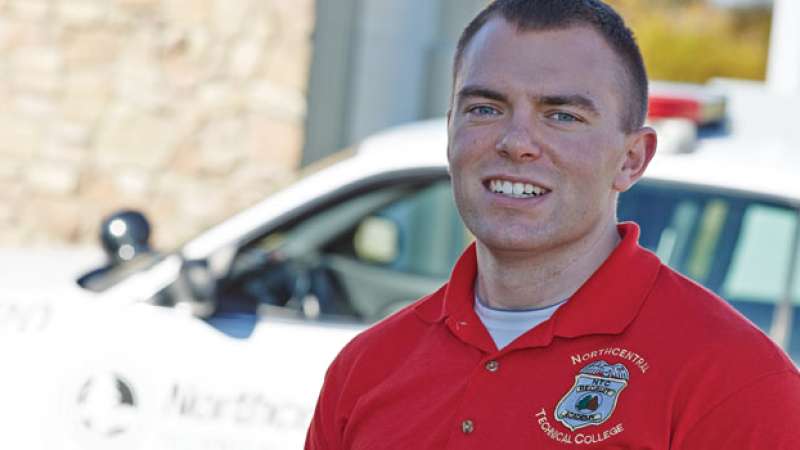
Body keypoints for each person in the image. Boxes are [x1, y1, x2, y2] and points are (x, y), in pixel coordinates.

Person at [306, 0, 800, 448]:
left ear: (632, 159)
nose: (516, 141)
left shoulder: (735, 381)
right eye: (485, 109)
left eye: (561, 115)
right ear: (451, 128)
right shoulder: (366, 368)